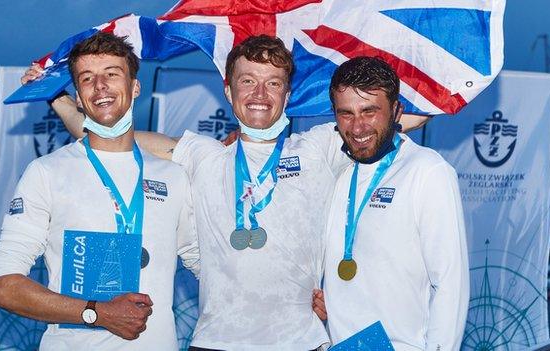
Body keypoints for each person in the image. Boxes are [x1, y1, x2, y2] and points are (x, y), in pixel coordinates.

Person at [22, 35, 429, 350]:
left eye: (273, 84)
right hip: (215, 341)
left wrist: (451, 79)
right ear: (229, 92)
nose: (259, 94)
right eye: (247, 82)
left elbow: (397, 119)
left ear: (287, 96)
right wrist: (57, 96)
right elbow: (109, 138)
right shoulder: (202, 154)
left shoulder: (320, 147)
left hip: (302, 341)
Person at [0, 32, 199, 351]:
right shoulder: (46, 172)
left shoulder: (173, 176)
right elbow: (3, 287)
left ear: (135, 87)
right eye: (87, 78)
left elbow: (210, 265)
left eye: (112, 74)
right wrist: (96, 313)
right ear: (78, 96)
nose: (100, 85)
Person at [322, 56, 469, 350]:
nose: (358, 127)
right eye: (346, 113)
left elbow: (451, 284)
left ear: (396, 111)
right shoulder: (336, 170)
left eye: (369, 111)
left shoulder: (427, 171)